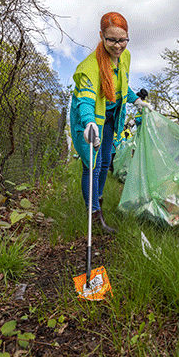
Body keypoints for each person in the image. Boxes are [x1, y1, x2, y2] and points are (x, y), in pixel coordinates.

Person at [69, 12, 152, 234]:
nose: (117, 45)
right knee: (93, 165)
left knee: (106, 161)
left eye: (122, 40)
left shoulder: (125, 57)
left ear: (127, 37)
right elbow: (85, 100)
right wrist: (88, 123)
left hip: (110, 118)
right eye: (111, 40)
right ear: (101, 37)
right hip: (91, 119)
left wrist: (138, 101)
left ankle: (97, 197)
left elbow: (122, 84)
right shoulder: (90, 66)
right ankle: (94, 215)